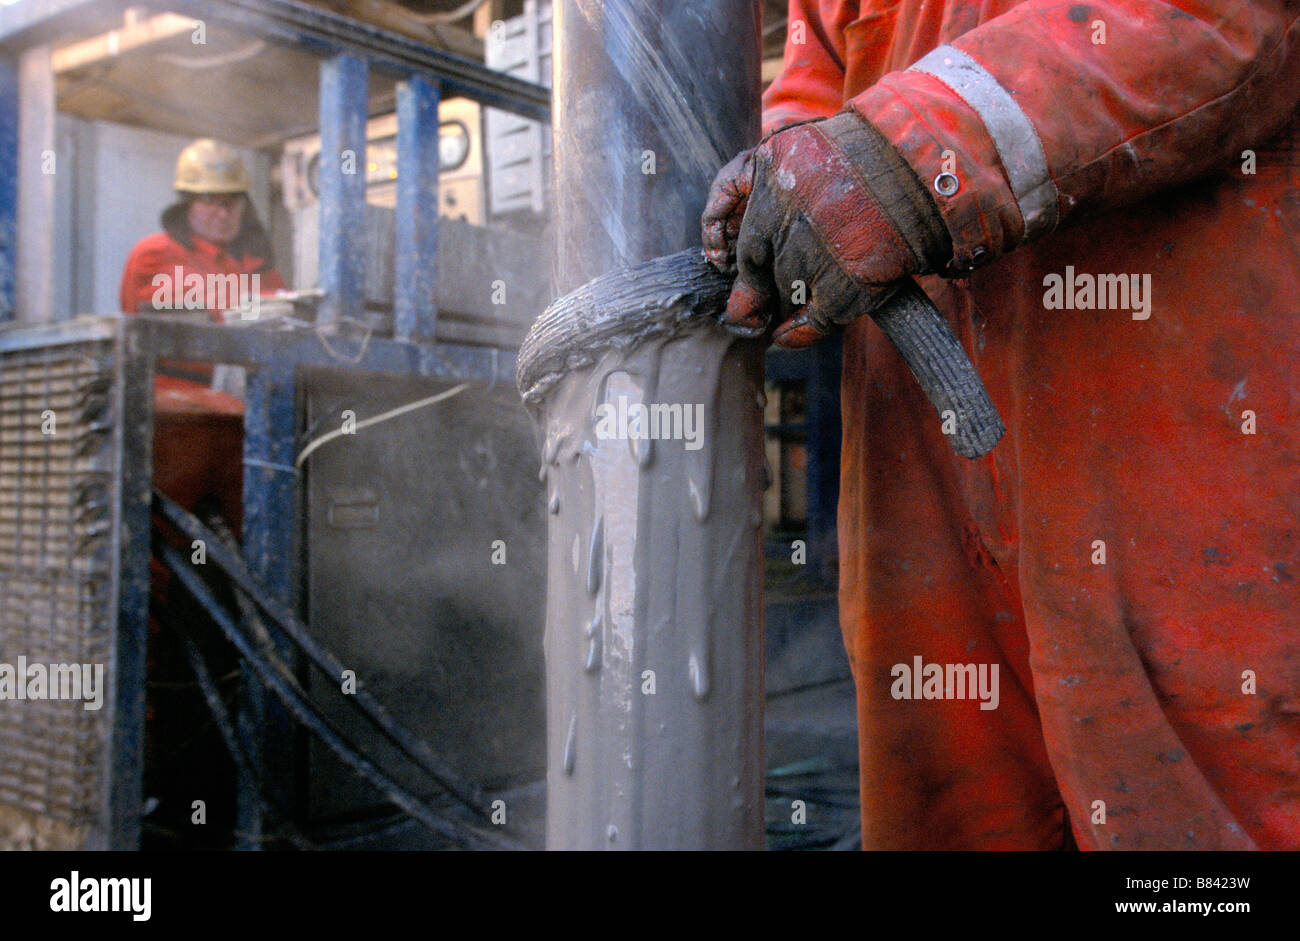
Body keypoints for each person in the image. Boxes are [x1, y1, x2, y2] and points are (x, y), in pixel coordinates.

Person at [703, 0, 1300, 849]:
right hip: (922, 478)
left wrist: (911, 153)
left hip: (1168, 424)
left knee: (1194, 830)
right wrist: (784, 172)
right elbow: (817, 77)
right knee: (948, 811)